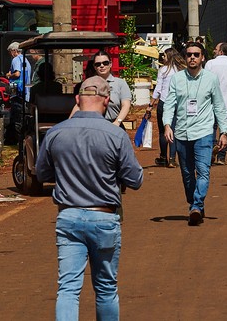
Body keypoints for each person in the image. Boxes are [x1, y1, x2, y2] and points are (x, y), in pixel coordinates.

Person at [35, 75, 144, 320]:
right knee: (106, 289)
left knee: (68, 289)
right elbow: (135, 180)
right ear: (106, 101)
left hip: (68, 215)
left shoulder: (55, 133)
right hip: (104, 218)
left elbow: (41, 173)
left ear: (77, 99)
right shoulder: (115, 135)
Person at [162, 42, 227, 226]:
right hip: (182, 133)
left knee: (203, 171)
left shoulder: (211, 79)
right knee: (186, 173)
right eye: (189, 54)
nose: (192, 57)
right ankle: (194, 203)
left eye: (196, 54)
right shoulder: (177, 79)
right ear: (185, 57)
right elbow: (169, 104)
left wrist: (224, 131)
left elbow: (219, 106)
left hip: (204, 132)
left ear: (203, 58)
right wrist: (167, 125)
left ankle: (197, 205)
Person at [72, 51, 133, 128]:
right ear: (94, 67)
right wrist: (69, 122)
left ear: (110, 64)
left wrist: (117, 122)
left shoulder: (120, 83)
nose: (102, 66)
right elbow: (79, 105)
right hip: (92, 126)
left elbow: (126, 105)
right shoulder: (88, 83)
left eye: (105, 63)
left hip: (114, 125)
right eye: (98, 64)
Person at [150, 48, 184, 168]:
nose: (162, 58)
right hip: (177, 103)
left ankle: (163, 157)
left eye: (164, 56)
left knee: (162, 131)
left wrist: (151, 105)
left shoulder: (163, 70)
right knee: (173, 130)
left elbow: (158, 89)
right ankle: (172, 158)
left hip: (164, 102)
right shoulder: (181, 70)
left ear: (168, 56)